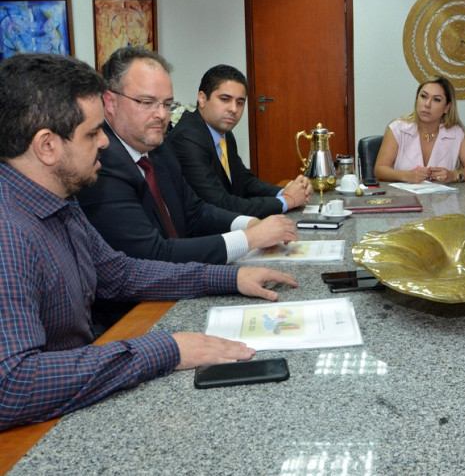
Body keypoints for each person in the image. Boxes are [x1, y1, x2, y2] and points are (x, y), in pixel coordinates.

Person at [0, 53, 298, 430]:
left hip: (81, 391)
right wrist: (166, 349)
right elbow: (12, 385)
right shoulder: (9, 231)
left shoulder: (61, 201)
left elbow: (119, 273)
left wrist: (228, 279)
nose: (104, 144)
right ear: (47, 146)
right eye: (92, 133)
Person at [77, 47, 296, 265]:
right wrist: (249, 239)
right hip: (142, 297)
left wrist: (249, 224)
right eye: (147, 102)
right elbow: (154, 253)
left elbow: (195, 211)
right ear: (110, 102)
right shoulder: (99, 162)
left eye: (167, 104)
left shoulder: (160, 150)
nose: (162, 115)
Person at [166, 64, 313, 218]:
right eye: (225, 99)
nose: (234, 109)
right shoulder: (187, 139)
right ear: (202, 99)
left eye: (240, 102)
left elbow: (243, 181)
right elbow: (221, 204)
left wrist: (286, 191)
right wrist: (287, 201)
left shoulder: (224, 133)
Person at [374, 75, 465, 184]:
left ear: (447, 107)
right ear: (417, 99)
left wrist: (453, 175)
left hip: (444, 199)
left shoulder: (456, 133)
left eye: (436, 99)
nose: (427, 104)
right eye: (424, 96)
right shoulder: (397, 129)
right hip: (404, 199)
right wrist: (407, 176)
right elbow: (379, 170)